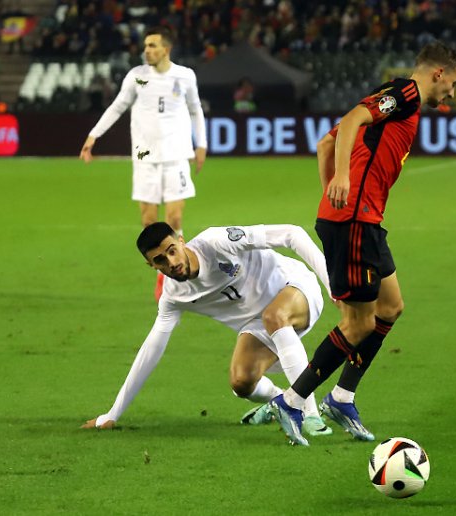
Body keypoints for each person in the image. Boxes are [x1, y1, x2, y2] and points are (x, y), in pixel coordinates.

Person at [270, 41, 456, 446]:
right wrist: (341, 181)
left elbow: (327, 142)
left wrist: (332, 193)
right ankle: (291, 401)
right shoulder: (406, 94)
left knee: (391, 307)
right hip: (354, 222)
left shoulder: (394, 100)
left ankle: (342, 397)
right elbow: (350, 119)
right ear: (438, 74)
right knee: (358, 322)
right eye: (454, 83)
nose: (453, 93)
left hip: (361, 221)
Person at [81, 222, 336, 442]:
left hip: (296, 288)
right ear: (150, 265)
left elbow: (292, 234)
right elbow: (151, 349)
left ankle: (311, 414)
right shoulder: (173, 296)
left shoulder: (217, 242)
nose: (171, 262)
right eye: (160, 260)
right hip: (259, 324)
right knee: (241, 383)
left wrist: (332, 283)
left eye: (172, 251)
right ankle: (280, 400)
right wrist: (113, 414)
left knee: (274, 315)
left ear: (181, 241)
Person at [79, 27, 207, 300]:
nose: (146, 50)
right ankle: (163, 274)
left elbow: (196, 110)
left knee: (174, 218)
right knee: (149, 221)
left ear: (166, 49)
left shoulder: (184, 76)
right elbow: (117, 106)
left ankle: (176, 273)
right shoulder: (137, 77)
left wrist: (202, 144)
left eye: (152, 46)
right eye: (146, 46)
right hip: (145, 158)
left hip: (175, 155)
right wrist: (93, 135)